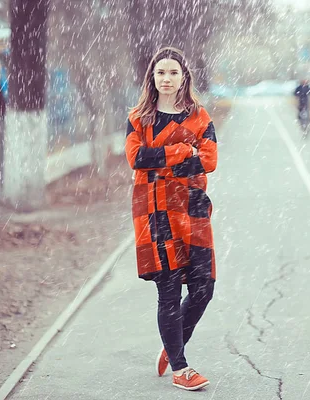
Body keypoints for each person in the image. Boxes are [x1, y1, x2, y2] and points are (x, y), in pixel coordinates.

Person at [124, 47, 218, 392]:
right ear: (152, 76)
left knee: (203, 288)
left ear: (184, 77)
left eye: (173, 72)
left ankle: (171, 345)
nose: (166, 78)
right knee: (168, 288)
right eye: (160, 72)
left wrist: (163, 161)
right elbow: (137, 158)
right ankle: (181, 367)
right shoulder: (139, 118)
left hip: (192, 208)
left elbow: (208, 161)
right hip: (153, 210)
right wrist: (181, 151)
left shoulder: (199, 117)